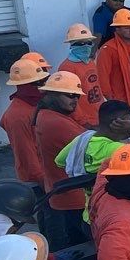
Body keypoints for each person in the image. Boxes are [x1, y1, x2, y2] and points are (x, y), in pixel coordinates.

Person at [56, 100, 130, 222]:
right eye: (129, 121)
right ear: (116, 123)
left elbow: (60, 161)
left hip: (90, 214)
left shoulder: (83, 139)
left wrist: (87, 164)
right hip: (113, 217)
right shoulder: (111, 150)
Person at [32, 71, 89, 250]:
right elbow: (91, 144)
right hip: (73, 197)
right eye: (70, 95)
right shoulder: (57, 123)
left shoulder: (45, 114)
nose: (75, 100)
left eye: (77, 96)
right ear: (53, 96)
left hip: (62, 192)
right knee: (81, 247)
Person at [0, 58, 49, 187]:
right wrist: (44, 182)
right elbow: (25, 154)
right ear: (25, 85)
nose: (43, 86)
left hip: (50, 171)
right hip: (38, 180)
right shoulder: (17, 116)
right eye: (39, 82)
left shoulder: (36, 104)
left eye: (44, 81)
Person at [58, 23, 105, 129]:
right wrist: (83, 122)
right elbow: (68, 99)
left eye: (88, 43)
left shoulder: (90, 62)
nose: (85, 46)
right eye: (80, 43)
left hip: (99, 116)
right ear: (72, 44)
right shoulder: (67, 67)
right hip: (84, 122)